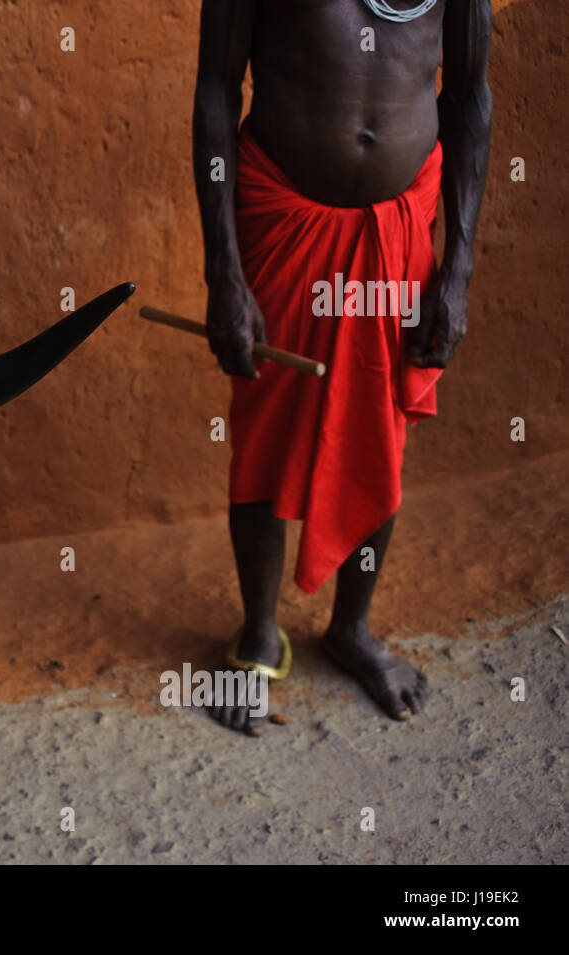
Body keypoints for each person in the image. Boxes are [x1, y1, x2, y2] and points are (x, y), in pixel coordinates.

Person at [192, 0, 492, 731]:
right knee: (265, 426)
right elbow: (215, 91)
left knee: (378, 428)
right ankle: (260, 633)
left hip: (398, 226)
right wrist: (223, 275)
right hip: (283, 215)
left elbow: (467, 98)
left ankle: (351, 629)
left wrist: (458, 270)